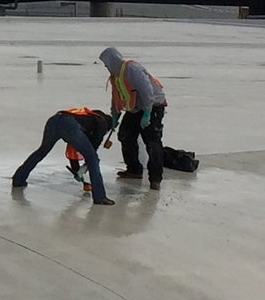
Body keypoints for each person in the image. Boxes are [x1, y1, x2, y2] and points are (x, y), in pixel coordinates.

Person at [11, 106, 117, 204]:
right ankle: (100, 197)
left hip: (55, 120)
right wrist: (83, 168)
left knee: (41, 151)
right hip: (69, 125)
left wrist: (76, 169)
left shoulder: (88, 116)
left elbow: (72, 147)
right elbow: (92, 152)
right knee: (93, 159)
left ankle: (18, 179)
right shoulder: (102, 123)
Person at [100, 45, 167, 186]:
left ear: (113, 61)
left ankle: (155, 178)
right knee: (125, 135)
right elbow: (116, 97)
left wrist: (147, 113)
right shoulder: (115, 76)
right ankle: (134, 170)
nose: (106, 67)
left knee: (152, 142)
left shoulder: (132, 70)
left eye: (106, 64)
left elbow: (147, 91)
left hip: (153, 106)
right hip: (135, 109)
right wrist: (115, 116)